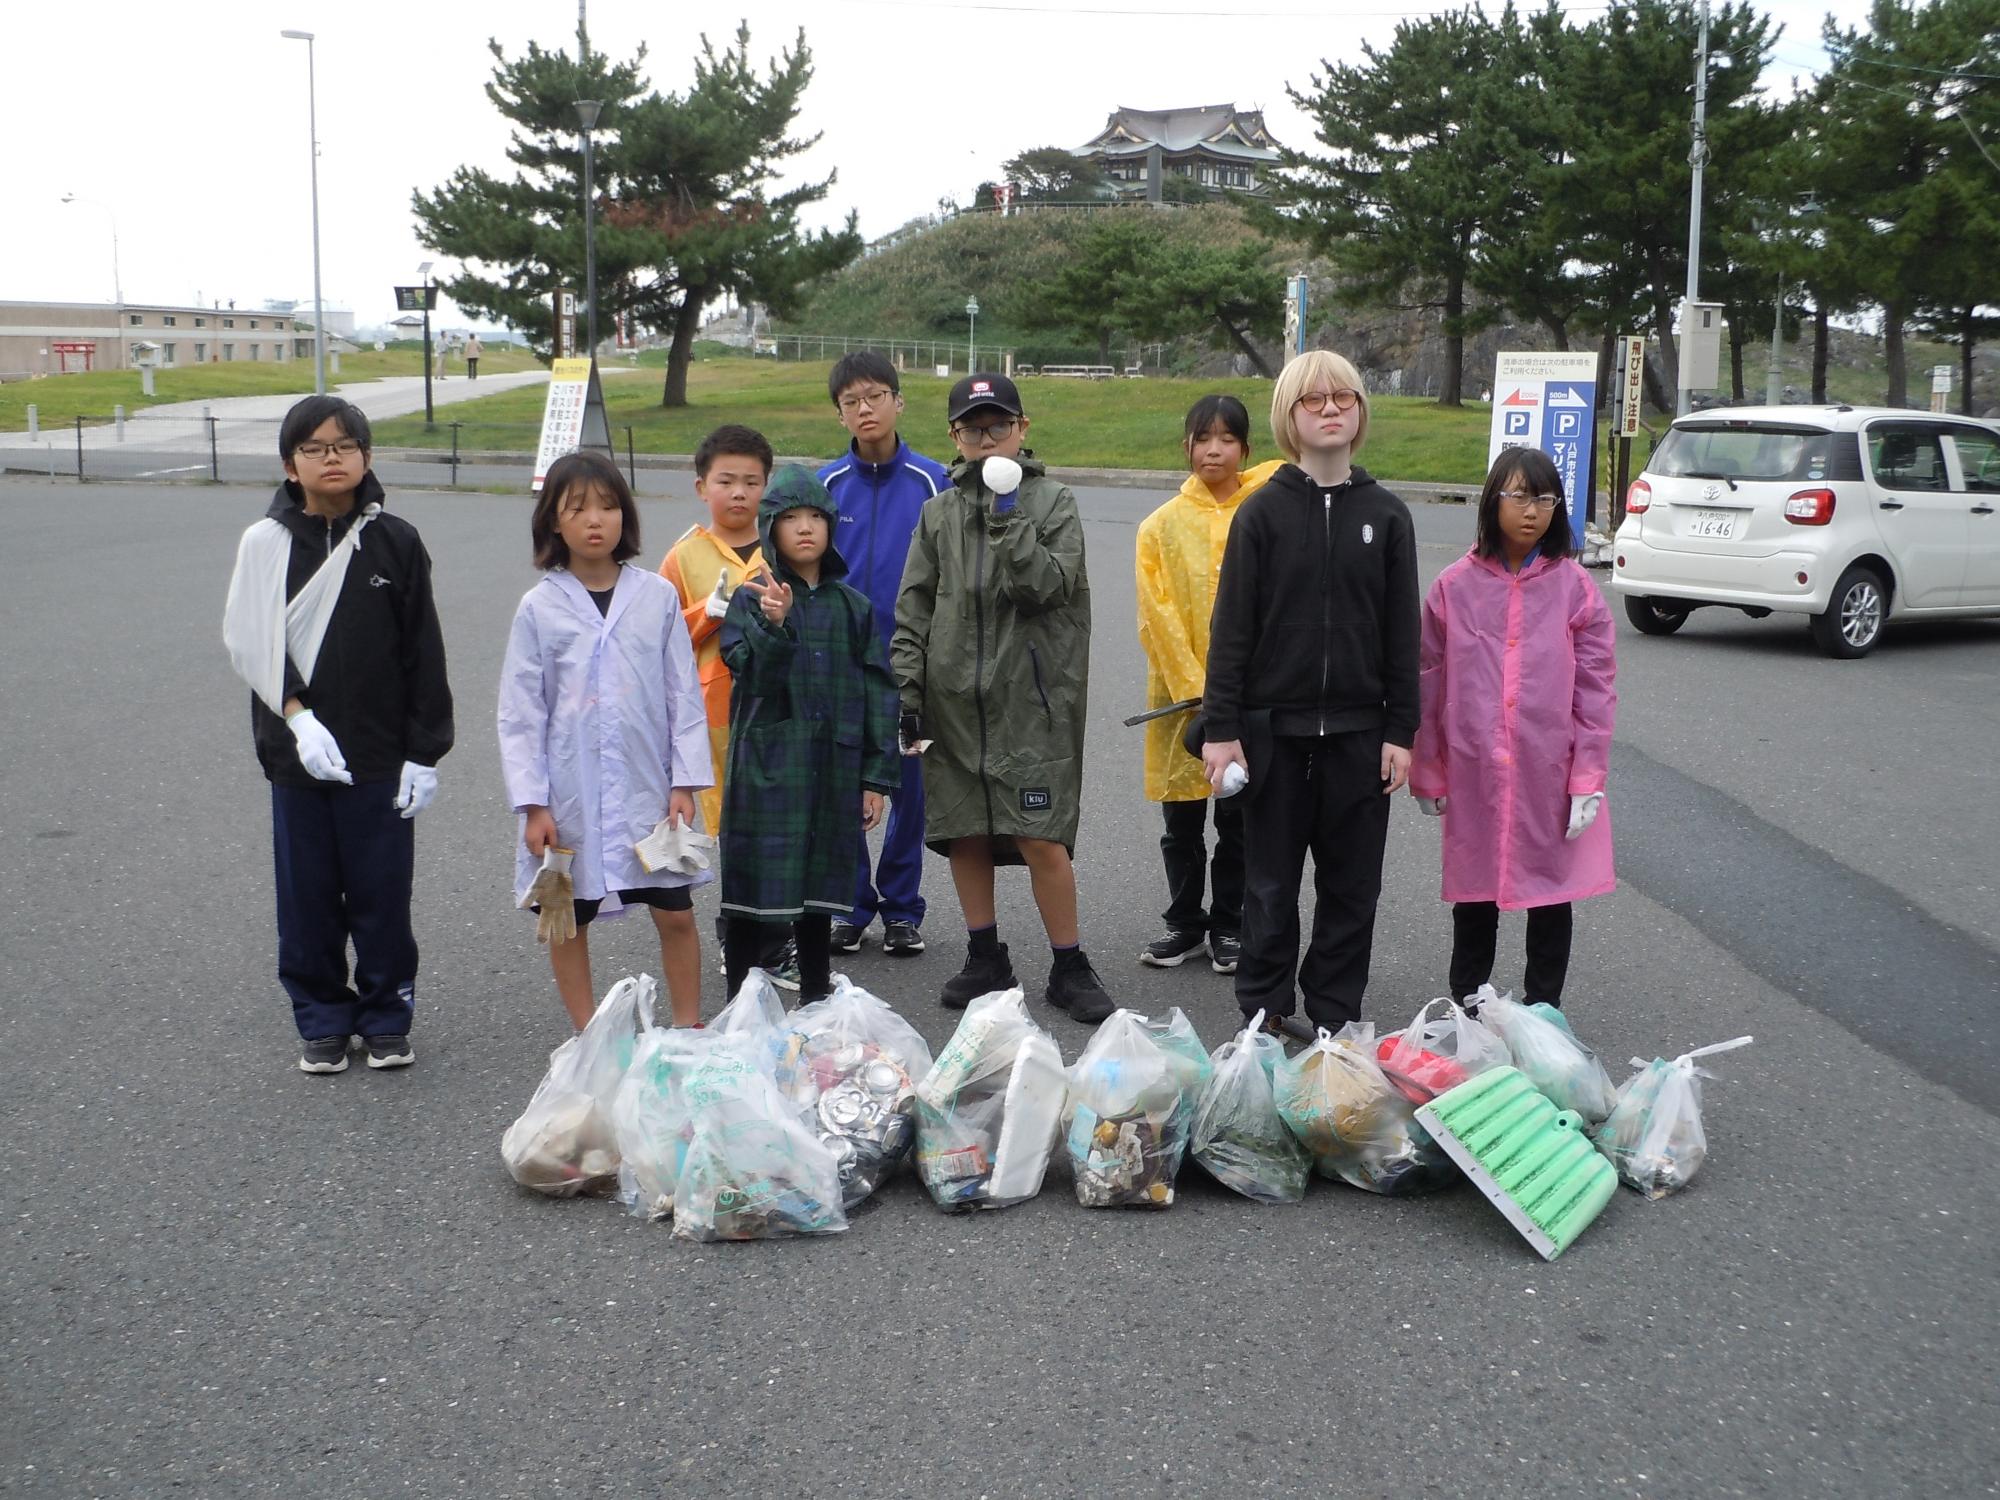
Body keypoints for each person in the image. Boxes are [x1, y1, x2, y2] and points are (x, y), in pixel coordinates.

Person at [222, 395, 454, 1073]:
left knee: (383, 894)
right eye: (316, 448)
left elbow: (423, 649)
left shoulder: (396, 541)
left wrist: (424, 751)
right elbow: (250, 641)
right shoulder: (265, 544)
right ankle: (322, 1017)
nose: (333, 457)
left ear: (367, 457)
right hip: (298, 752)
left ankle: (386, 1015)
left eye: (346, 445)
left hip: (382, 753)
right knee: (309, 894)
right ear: (290, 464)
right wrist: (298, 718)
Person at [1201, 350, 1419, 1036]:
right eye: (1313, 401)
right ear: (1289, 418)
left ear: (1360, 412)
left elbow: (1402, 635)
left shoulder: (1386, 516)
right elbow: (1231, 628)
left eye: (1344, 398)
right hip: (1274, 737)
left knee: (1352, 891)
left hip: (1360, 737)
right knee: (1268, 888)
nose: (1330, 409)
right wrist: (1220, 727)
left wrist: (1401, 732)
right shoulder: (1261, 513)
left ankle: (1334, 1017)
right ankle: (1261, 1014)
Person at [893, 373, 1113, 1024]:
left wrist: (1008, 515)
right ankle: (985, 954)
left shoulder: (1054, 502)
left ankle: (1069, 965)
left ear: (1022, 430)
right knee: (964, 830)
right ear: (955, 439)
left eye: (998, 427)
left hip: (1032, 705)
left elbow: (1047, 586)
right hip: (953, 703)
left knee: (1039, 836)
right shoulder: (938, 514)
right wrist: (908, 686)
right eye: (971, 430)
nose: (986, 441)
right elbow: (915, 607)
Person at [498, 450, 712, 1030]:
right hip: (570, 793)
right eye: (578, 508)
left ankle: (688, 1026)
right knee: (568, 912)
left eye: (609, 506)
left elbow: (682, 693)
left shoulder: (656, 597)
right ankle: (590, 1034)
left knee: (674, 910)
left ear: (626, 517)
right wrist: (534, 803)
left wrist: (684, 782)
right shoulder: (540, 608)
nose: (596, 520)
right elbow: (521, 712)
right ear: (553, 522)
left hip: (648, 784)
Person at [1409, 446, 1616, 1007]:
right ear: (1492, 501)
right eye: (1520, 495)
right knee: (1475, 893)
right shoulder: (1454, 587)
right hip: (1475, 763)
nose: (1533, 511)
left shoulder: (1575, 588)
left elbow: (1596, 688)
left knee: (1552, 893)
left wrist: (1587, 777)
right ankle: (1467, 1010)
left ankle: (1542, 1013)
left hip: (1549, 766)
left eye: (1545, 499)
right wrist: (1428, 770)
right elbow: (1428, 680)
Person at [717, 466, 899, 1005]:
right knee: (752, 899)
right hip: (767, 768)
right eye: (789, 518)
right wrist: (777, 626)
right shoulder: (751, 599)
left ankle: (816, 1012)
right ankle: (740, 1015)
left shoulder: (854, 607)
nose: (803, 528)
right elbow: (752, 676)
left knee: (819, 903)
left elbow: (879, 692)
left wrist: (875, 777)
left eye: (815, 517)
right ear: (770, 527)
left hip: (834, 769)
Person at [1135, 394, 1283, 977]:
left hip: (1252, 692)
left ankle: (1229, 923)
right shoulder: (1161, 526)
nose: (1213, 449)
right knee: (1181, 819)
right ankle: (1183, 920)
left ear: (1246, 449)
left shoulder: (1267, 509)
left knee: (1238, 815)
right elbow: (1157, 613)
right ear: (1187, 447)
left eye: (1226, 439)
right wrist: (1198, 687)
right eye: (1202, 438)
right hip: (1181, 696)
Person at [817, 352, 952, 960]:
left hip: (914, 671)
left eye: (874, 396)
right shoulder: (825, 486)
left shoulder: (931, 482)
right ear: (840, 413)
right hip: (843, 673)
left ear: (899, 401)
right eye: (851, 401)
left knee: (910, 788)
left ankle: (902, 910)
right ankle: (850, 907)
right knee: (843, 787)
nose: (864, 409)